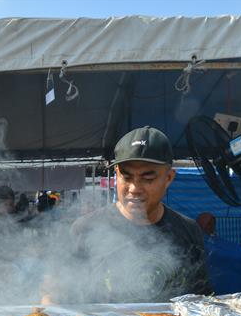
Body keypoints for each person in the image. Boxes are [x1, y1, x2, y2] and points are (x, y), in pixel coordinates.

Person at [42, 126, 211, 304]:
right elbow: (55, 294)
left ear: (168, 178)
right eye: (127, 177)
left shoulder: (188, 231)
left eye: (148, 178)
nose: (134, 188)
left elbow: (201, 299)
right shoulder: (84, 229)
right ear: (116, 174)